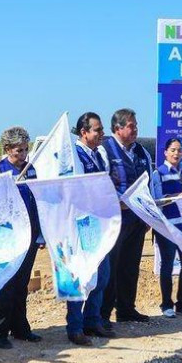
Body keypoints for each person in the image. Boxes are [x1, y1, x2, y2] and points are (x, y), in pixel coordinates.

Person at [0, 126, 42, 350]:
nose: (23, 154)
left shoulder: (30, 170)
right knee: (6, 284)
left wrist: (39, 233)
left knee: (21, 283)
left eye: (25, 149)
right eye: (19, 150)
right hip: (8, 237)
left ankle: (20, 328)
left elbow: (36, 200)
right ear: (8, 149)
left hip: (30, 235)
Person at [101, 108, 154, 324]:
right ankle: (103, 314)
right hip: (115, 220)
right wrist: (117, 202)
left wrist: (149, 215)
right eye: (131, 126)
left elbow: (149, 184)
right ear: (118, 128)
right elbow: (102, 184)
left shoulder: (142, 152)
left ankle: (126, 309)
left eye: (136, 125)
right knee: (111, 267)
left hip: (137, 219)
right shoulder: (105, 150)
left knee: (130, 266)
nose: (135, 130)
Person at [66, 111, 115, 345]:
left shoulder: (98, 155)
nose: (102, 133)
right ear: (84, 132)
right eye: (98, 130)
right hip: (81, 224)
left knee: (102, 275)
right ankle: (75, 327)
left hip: (99, 222)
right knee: (81, 275)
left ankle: (92, 320)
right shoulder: (74, 156)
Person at [149, 138, 182, 318]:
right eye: (173, 150)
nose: (176, 153)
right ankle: (166, 304)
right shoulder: (158, 173)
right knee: (167, 265)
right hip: (166, 228)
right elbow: (156, 201)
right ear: (165, 152)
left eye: (179, 150)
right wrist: (176, 196)